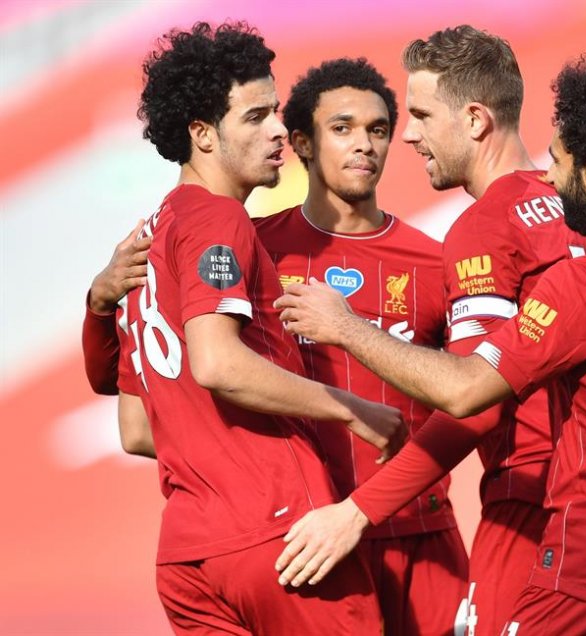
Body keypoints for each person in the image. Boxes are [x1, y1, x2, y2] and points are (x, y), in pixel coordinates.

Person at [275, 54, 586, 634]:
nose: (549, 180)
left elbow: (470, 395)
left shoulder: (559, 268)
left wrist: (347, 327)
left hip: (581, 550)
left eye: (422, 115)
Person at [82, 57, 468, 635]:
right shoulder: (240, 239)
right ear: (304, 143)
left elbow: (476, 396)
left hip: (407, 531)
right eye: (341, 128)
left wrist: (97, 304)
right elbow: (211, 368)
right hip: (296, 531)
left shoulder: (438, 262)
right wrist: (351, 409)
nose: (364, 144)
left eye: (379, 129)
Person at [276, 25, 586, 636]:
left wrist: (357, 512)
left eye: (418, 114)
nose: (408, 133)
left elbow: (475, 402)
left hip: (533, 506)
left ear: (474, 120)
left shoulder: (484, 226)